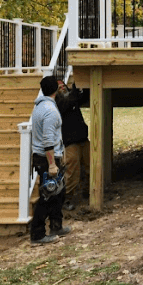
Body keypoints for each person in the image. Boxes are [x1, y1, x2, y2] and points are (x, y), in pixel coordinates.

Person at [29, 75, 70, 244]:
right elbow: (47, 140)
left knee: (58, 193)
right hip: (46, 159)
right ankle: (37, 234)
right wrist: (52, 164)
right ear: (55, 90)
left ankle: (56, 225)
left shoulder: (40, 107)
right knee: (47, 196)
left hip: (43, 157)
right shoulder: (50, 111)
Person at [56, 81, 90, 210]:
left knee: (91, 166)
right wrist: (75, 89)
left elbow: (83, 98)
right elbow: (69, 101)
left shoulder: (72, 99)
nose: (63, 88)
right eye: (59, 87)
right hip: (70, 143)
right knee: (72, 172)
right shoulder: (58, 103)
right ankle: (67, 199)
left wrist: (86, 85)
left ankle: (88, 191)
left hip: (83, 140)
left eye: (63, 85)